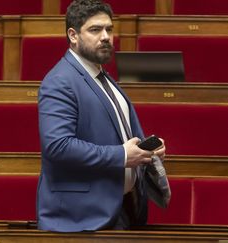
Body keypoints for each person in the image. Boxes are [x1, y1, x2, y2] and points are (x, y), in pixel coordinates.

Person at [37, 0, 166, 232]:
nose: (105, 36)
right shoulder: (60, 81)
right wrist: (122, 155)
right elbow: (57, 146)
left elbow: (122, 137)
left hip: (120, 210)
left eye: (109, 29)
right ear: (73, 35)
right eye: (95, 30)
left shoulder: (104, 78)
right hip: (81, 219)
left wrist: (146, 152)